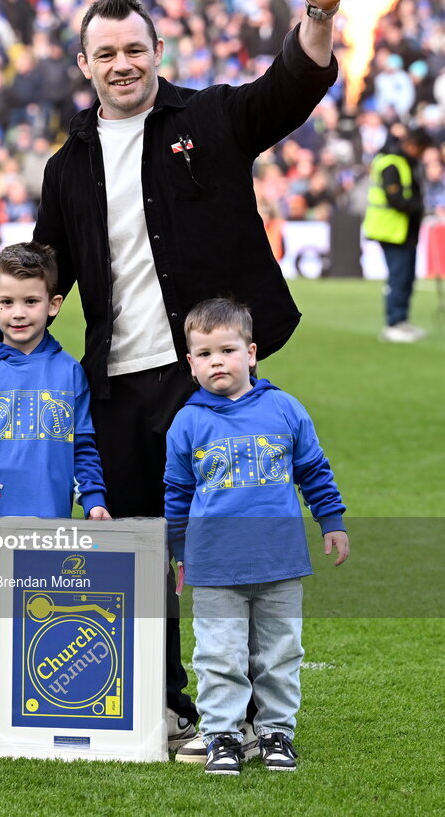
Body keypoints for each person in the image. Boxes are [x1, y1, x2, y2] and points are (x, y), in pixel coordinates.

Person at [0, 0, 350, 746]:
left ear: (158, 52)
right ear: (84, 65)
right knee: (137, 553)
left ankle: (256, 712)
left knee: (228, 537)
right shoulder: (67, 165)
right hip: (116, 384)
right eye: (107, 54)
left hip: (207, 381)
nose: (122, 64)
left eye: (135, 49)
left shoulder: (211, 118)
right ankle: (167, 706)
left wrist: (320, 14)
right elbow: (41, 269)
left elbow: (289, 90)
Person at [0, 242, 111, 758]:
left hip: (46, 530)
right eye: (7, 302)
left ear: (53, 305)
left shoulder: (70, 373)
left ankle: (28, 713)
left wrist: (94, 501)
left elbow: (84, 447)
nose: (18, 312)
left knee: (39, 627)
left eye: (31, 302)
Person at [164, 298, 349, 775]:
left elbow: (314, 471)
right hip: (215, 568)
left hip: (280, 563)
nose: (216, 361)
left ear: (251, 353)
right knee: (218, 655)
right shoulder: (187, 422)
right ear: (190, 363)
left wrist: (332, 522)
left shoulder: (285, 409)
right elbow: (177, 493)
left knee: (279, 654)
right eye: (204, 354)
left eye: (226, 350)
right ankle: (223, 734)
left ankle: (276, 733)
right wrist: (179, 552)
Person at [362, 127, 433, 342]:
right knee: (398, 277)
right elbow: (395, 199)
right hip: (391, 230)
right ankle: (393, 323)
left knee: (407, 277)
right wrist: (421, 209)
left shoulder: (408, 163)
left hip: (405, 230)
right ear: (413, 145)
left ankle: (401, 320)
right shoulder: (391, 163)